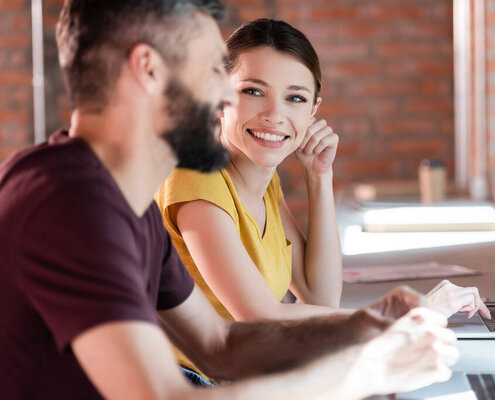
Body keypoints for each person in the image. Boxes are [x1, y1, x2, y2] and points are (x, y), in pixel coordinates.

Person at [0, 1, 459, 399]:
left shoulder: (123, 203)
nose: (225, 96)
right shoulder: (72, 206)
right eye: (213, 71)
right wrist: (367, 370)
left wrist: (367, 325)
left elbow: (219, 345)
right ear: (149, 70)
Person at [155, 18, 490, 376]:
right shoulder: (194, 176)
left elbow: (320, 297)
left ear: (313, 110)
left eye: (295, 98)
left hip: (239, 379)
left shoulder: (264, 183)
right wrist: (408, 316)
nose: (274, 115)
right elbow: (259, 317)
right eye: (253, 91)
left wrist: (319, 175)